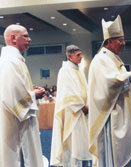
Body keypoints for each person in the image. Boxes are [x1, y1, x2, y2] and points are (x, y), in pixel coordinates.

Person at [88, 15, 131, 167]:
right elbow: (108, 83)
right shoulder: (101, 59)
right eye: (120, 40)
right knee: (115, 156)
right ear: (109, 42)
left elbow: (122, 82)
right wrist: (130, 74)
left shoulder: (114, 58)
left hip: (123, 113)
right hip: (111, 116)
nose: (123, 43)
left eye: (123, 39)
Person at [0, 24, 45, 167]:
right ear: (13, 38)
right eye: (25, 36)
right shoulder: (9, 61)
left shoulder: (15, 59)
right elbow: (11, 95)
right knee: (16, 157)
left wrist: (30, 91)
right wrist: (33, 95)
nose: (29, 39)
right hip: (14, 119)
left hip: (19, 116)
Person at [50, 45, 92, 167]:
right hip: (72, 113)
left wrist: (88, 104)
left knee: (82, 143)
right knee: (74, 142)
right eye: (78, 55)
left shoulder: (79, 70)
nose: (81, 57)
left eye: (81, 54)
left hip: (83, 112)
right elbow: (68, 93)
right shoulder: (65, 71)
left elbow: (86, 89)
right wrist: (82, 106)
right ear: (70, 56)